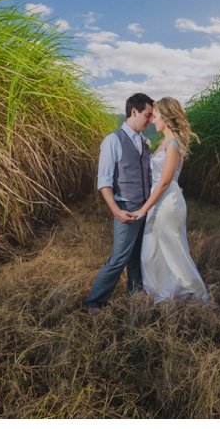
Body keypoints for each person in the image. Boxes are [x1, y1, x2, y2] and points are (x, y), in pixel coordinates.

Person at [128, 97, 209, 304]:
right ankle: (165, 292)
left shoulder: (172, 143)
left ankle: (187, 291)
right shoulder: (163, 141)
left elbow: (164, 182)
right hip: (159, 200)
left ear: (165, 116)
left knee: (171, 249)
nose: (152, 121)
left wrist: (143, 209)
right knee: (151, 252)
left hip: (166, 202)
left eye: (155, 116)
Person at [84, 93, 155, 314]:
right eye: (147, 115)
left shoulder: (144, 142)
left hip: (144, 208)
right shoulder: (112, 140)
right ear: (133, 112)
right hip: (125, 208)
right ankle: (94, 302)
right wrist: (116, 211)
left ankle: (136, 296)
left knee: (136, 256)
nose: (151, 120)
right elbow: (104, 181)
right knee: (119, 257)